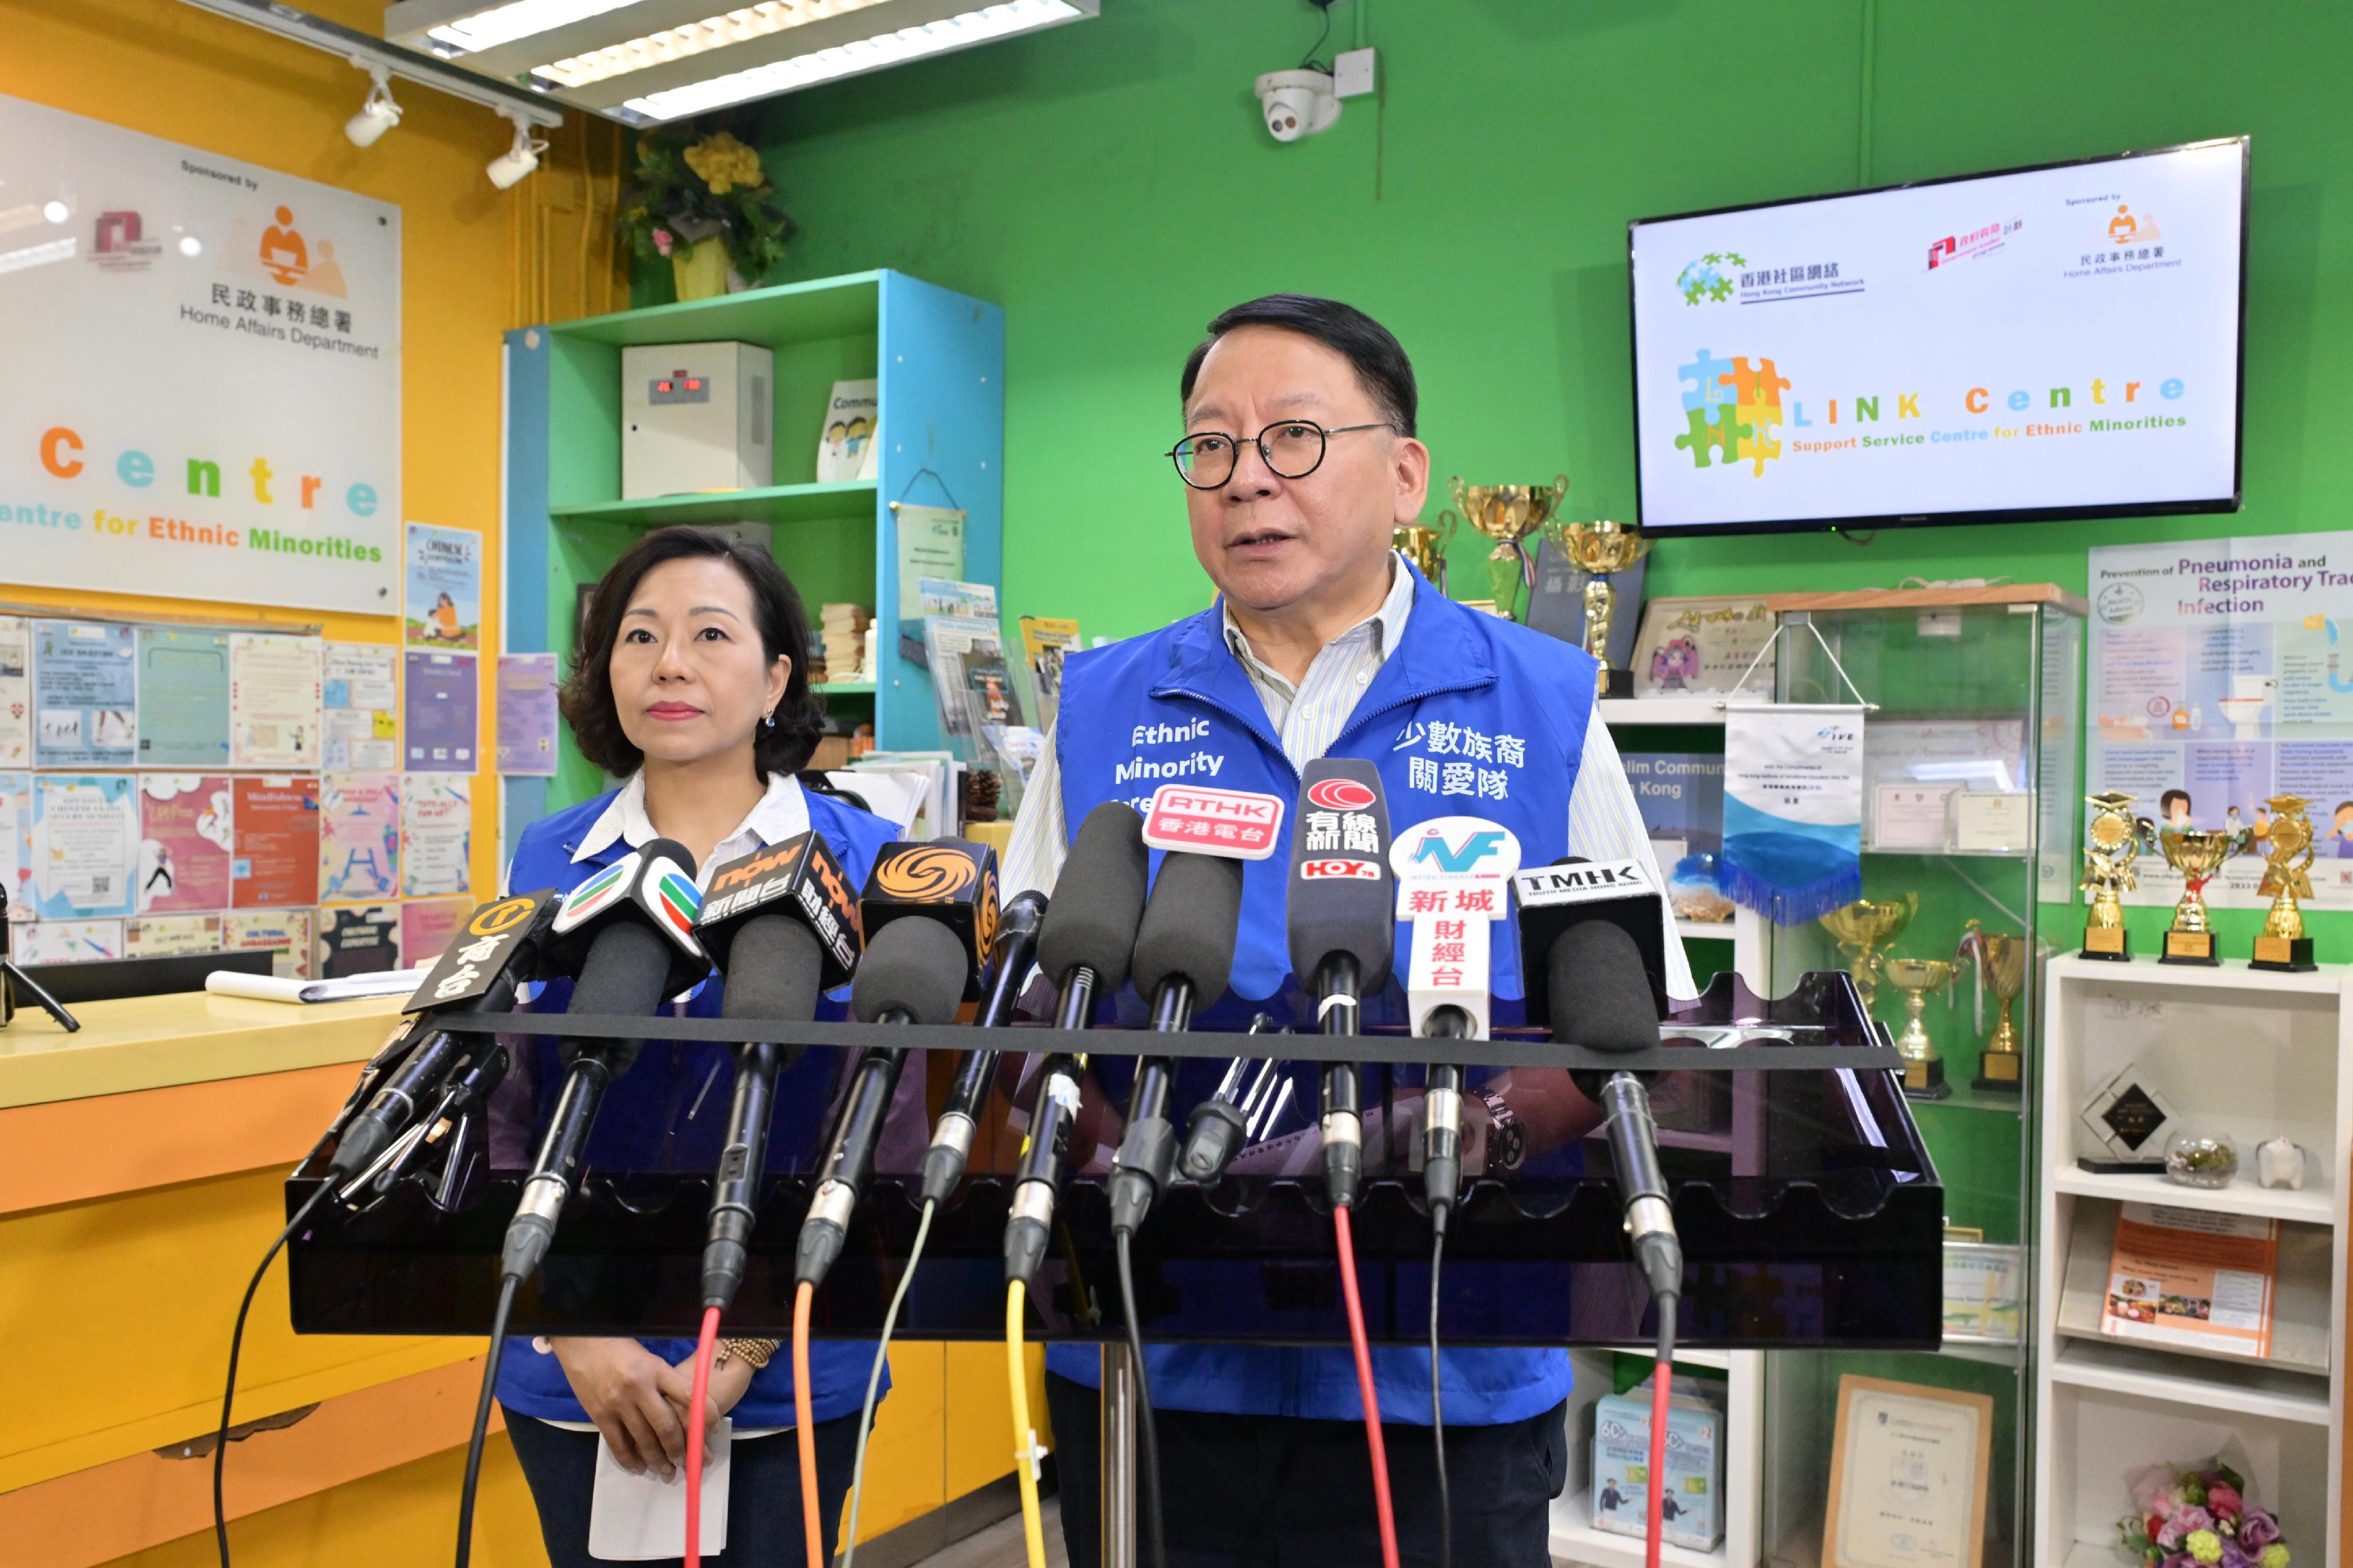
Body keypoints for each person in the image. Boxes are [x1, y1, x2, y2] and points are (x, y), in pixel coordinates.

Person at [1001, 295, 1692, 1567]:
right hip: (1158, 1347)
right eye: (1210, 447)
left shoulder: (1536, 696)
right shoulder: (1100, 703)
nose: (1245, 480)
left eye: (1293, 439)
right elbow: (1017, 1000)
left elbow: (1629, 1008)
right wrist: (1116, 1146)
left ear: (1404, 472)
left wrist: (1467, 1131)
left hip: (1443, 1354)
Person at [494, 526, 898, 1568]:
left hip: (790, 1367)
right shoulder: (549, 856)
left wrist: (745, 1345)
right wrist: (574, 1329)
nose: (669, 662)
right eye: (639, 636)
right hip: (578, 1373)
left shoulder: (869, 865)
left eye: (709, 634)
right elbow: (506, 1117)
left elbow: (885, 1135)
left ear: (775, 677)